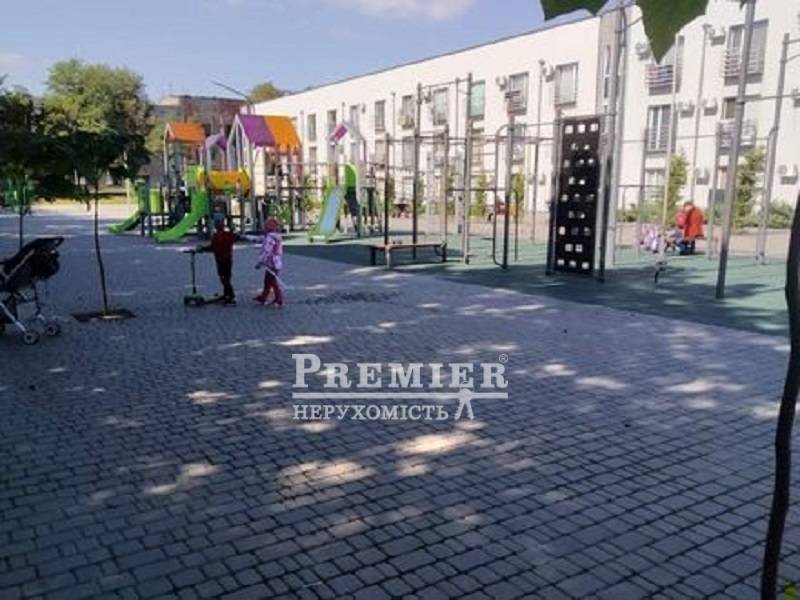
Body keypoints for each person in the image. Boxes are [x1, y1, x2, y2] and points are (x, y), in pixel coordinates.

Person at [198, 218, 237, 305]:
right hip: (228, 259)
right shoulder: (228, 235)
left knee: (223, 277)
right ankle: (227, 294)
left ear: (216, 227)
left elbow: (212, 247)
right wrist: (232, 229)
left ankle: (230, 294)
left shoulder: (216, 236)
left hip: (220, 259)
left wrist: (202, 248)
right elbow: (237, 237)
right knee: (227, 277)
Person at [254, 218, 284, 307]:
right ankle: (263, 297)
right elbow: (259, 239)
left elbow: (267, 251)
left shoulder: (269, 237)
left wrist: (260, 263)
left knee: (272, 282)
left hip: (271, 263)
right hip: (276, 262)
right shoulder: (276, 236)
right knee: (268, 281)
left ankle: (279, 299)